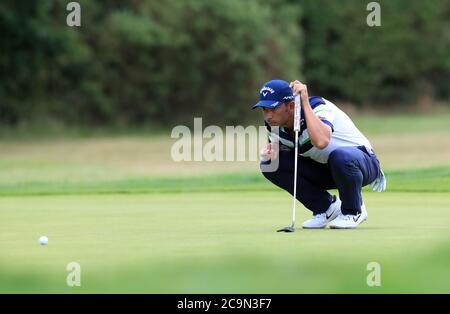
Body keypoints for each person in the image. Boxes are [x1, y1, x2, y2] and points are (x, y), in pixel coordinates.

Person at [253, 79, 386, 229]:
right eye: (265, 110)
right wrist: (271, 153)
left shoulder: (318, 106)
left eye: (273, 109)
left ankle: (353, 210)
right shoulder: (273, 125)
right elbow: (281, 149)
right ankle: (327, 208)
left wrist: (304, 103)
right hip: (329, 168)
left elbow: (322, 141)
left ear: (290, 106)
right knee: (270, 165)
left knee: (339, 157)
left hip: (362, 163)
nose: (268, 116)